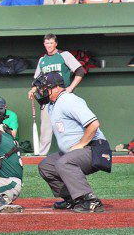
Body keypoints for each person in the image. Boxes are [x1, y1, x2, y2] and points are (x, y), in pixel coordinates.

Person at [34, 72, 111, 213]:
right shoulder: (53, 104)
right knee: (46, 166)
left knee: (64, 163)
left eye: (43, 88)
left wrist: (81, 144)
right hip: (78, 151)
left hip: (95, 148)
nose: (40, 91)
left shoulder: (68, 100)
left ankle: (90, 200)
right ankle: (72, 200)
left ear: (57, 88)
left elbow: (94, 124)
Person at [27, 34, 85, 155]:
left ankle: (75, 151)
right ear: (44, 44)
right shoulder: (42, 60)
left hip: (63, 96)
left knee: (69, 125)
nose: (49, 45)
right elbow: (37, 80)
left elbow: (80, 70)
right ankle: (41, 155)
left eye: (51, 43)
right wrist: (33, 89)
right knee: (45, 129)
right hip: (48, 99)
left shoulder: (64, 55)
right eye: (47, 43)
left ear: (56, 43)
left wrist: (70, 88)